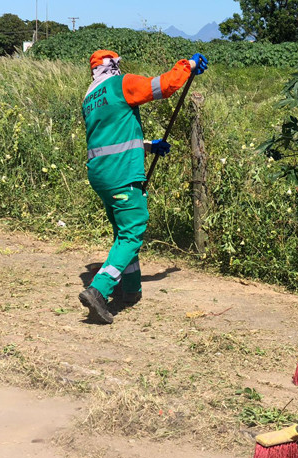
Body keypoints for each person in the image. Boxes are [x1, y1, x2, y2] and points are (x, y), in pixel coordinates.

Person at [78, 50, 208, 324]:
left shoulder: (90, 97)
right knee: (134, 229)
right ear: (113, 65)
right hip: (121, 174)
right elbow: (162, 86)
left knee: (123, 231)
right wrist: (188, 66)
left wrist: (147, 146)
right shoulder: (119, 84)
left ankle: (131, 289)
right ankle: (99, 290)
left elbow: (111, 136)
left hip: (101, 175)